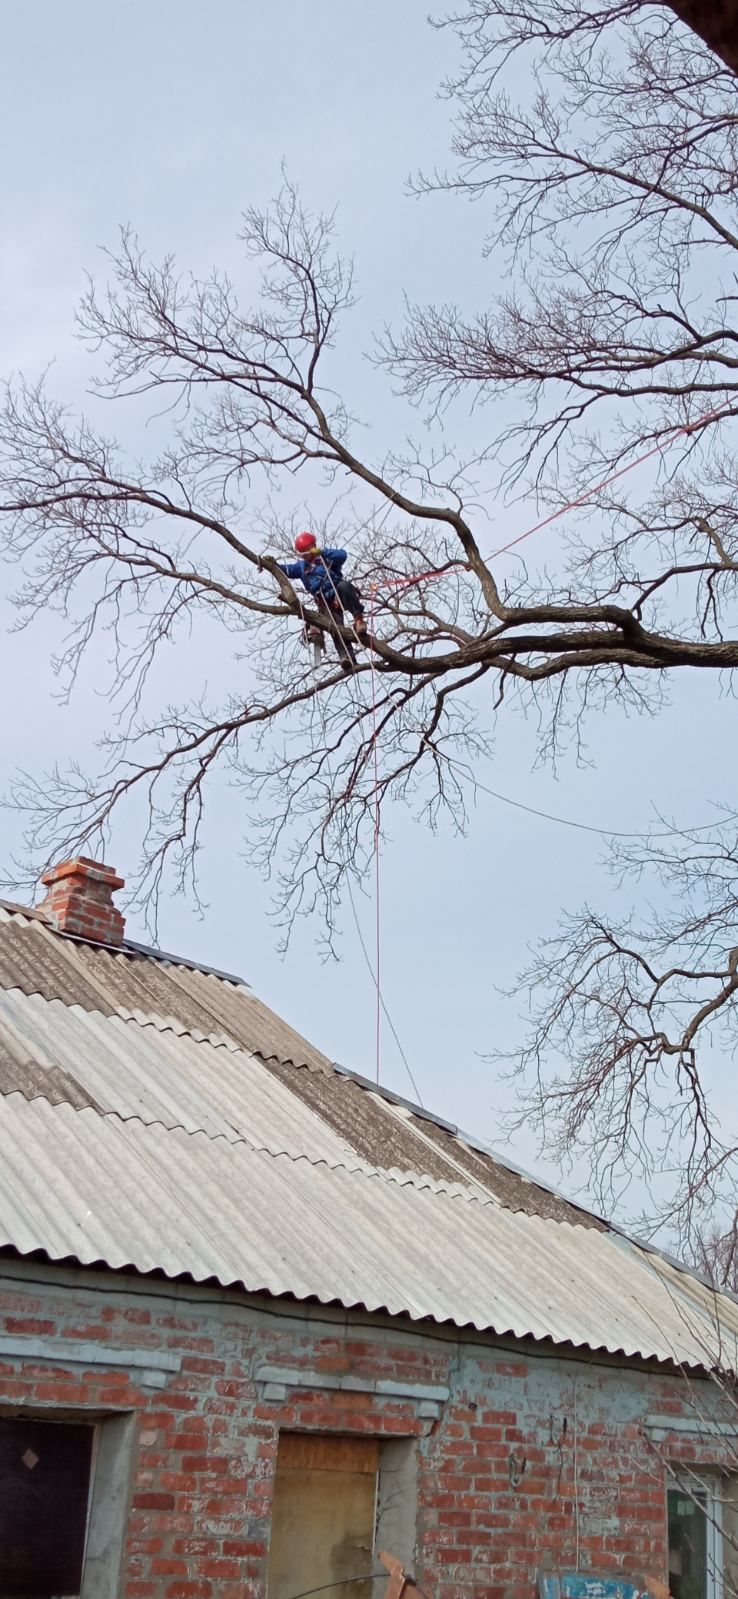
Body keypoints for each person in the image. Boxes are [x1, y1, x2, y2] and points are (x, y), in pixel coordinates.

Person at [277, 533, 367, 670]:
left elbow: (342, 555)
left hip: (339, 593)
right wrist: (271, 564)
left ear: (313, 546)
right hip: (325, 601)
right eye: (302, 552)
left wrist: (323, 551)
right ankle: (347, 657)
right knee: (334, 627)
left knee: (345, 586)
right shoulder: (302, 567)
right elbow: (287, 570)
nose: (304, 554)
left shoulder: (327, 558)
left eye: (306, 550)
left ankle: (358, 619)